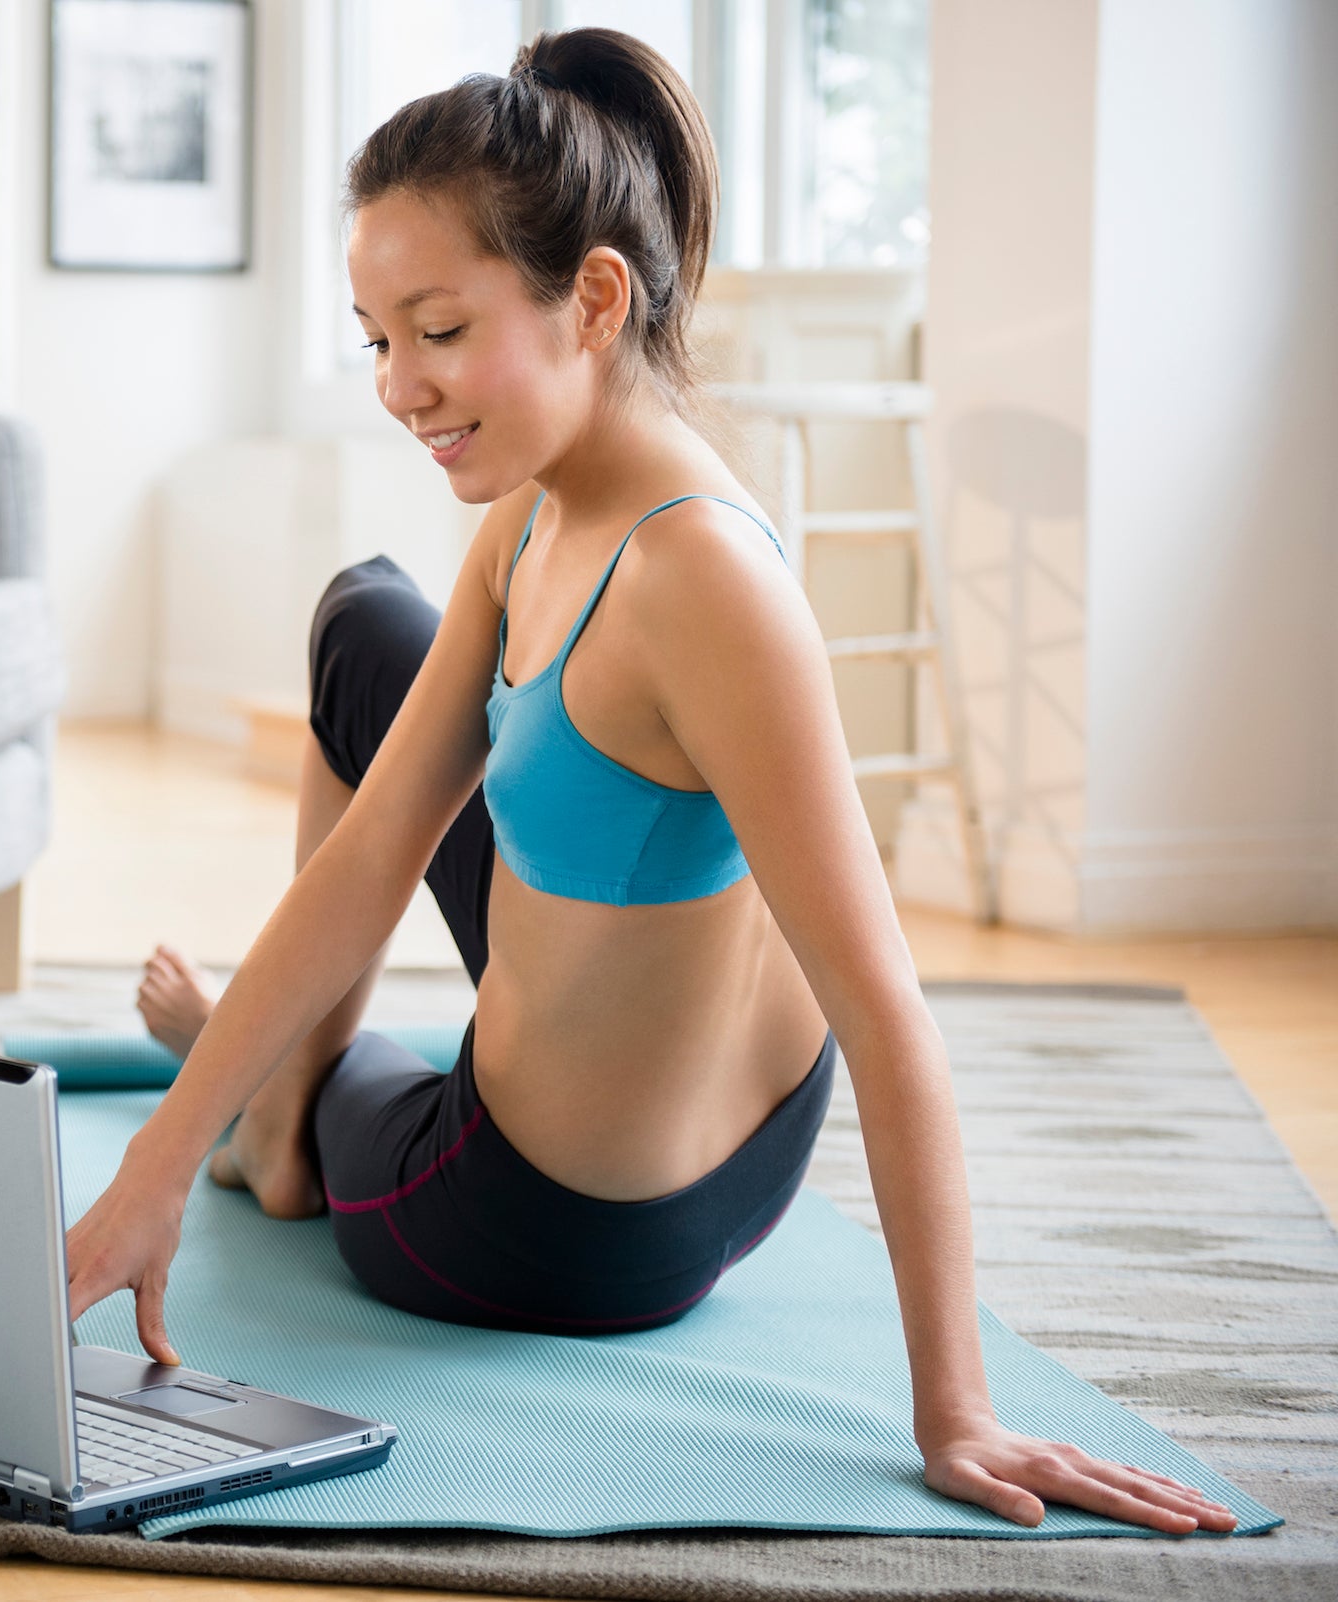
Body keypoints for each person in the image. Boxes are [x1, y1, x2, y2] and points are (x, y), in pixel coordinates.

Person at [63, 28, 1235, 1536]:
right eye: (374, 338)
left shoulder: (695, 583)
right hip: (738, 1145)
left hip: (539, 1225)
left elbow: (889, 1009)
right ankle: (250, 1075)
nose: (398, 385)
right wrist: (150, 1171)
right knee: (369, 619)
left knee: (332, 1070)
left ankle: (271, 1120)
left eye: (436, 328)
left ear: (594, 296)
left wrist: (956, 1410)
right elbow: (369, 864)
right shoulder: (580, 514)